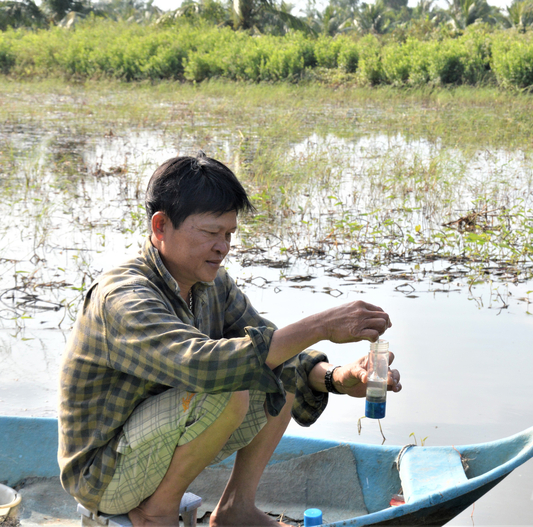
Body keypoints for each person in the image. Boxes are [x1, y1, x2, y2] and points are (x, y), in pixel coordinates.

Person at [58, 152, 401, 527]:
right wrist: (320, 325)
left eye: (228, 235)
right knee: (229, 384)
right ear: (160, 227)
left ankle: (236, 507)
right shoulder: (124, 296)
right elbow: (202, 365)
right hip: (103, 474)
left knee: (275, 368)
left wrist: (337, 377)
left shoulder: (212, 285)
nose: (223, 247)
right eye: (209, 233)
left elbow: (274, 350)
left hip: (150, 452)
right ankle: (157, 513)